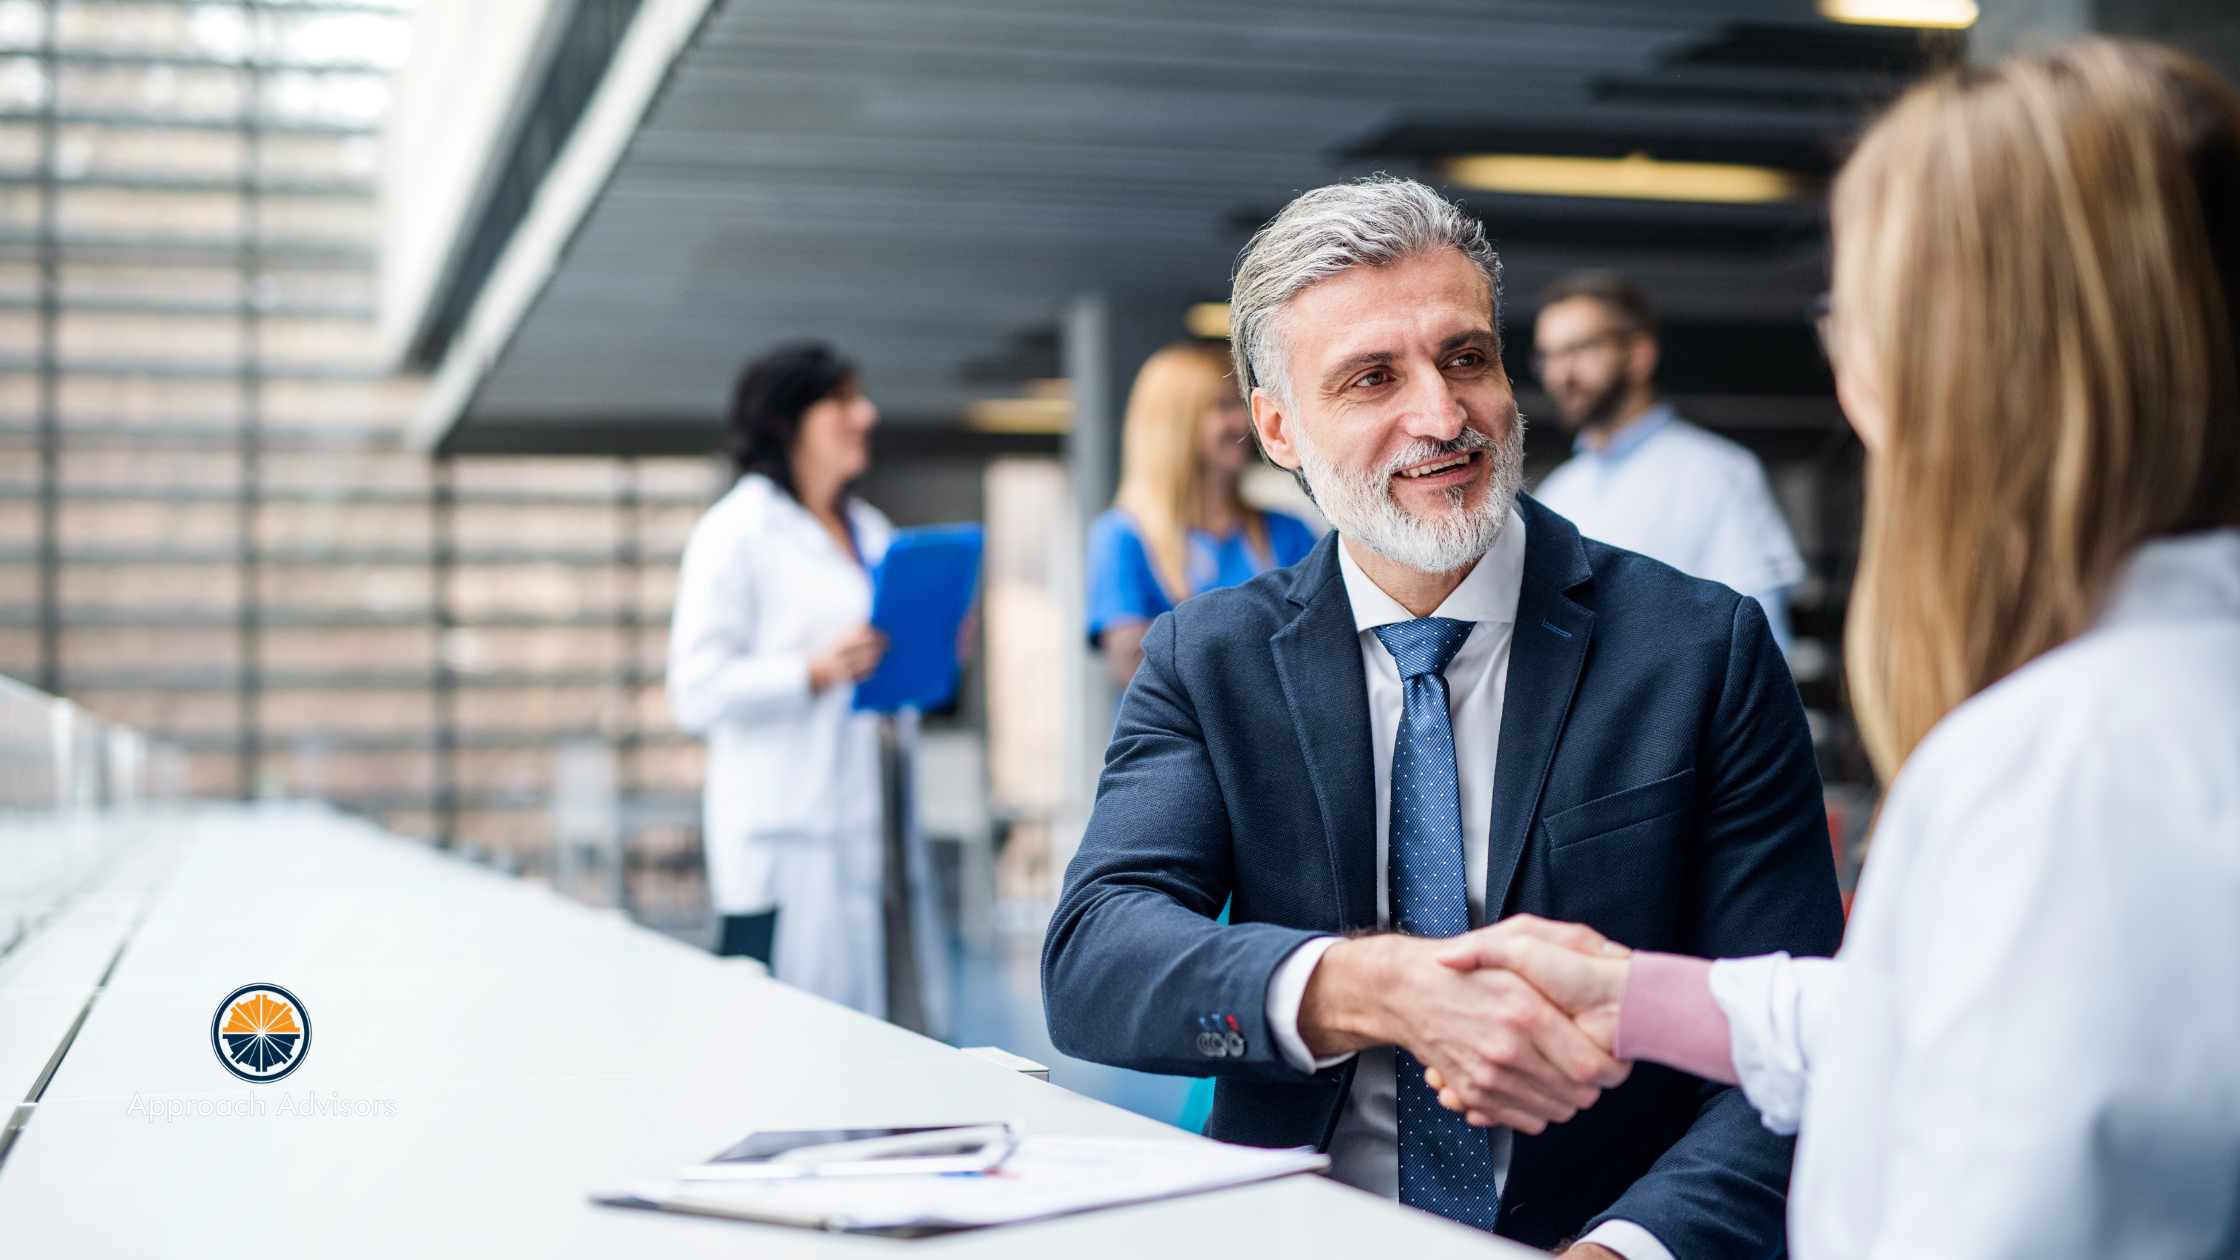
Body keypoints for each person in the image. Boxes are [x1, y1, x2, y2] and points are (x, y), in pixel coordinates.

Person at [1437, 41, 2240, 1260]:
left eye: (1852, 314)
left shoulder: (2055, 768)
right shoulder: (2149, 707)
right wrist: (1645, 998)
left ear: (1962, 364)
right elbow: (1969, 1032)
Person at [1041, 176, 1843, 1259]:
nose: (1442, 416)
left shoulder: (1699, 650)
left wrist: (1627, 1251)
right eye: (1371, 378)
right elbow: (1096, 959)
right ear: (1277, 427)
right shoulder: (1209, 658)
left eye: (1465, 358)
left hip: (1592, 1232)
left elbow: (1785, 1045)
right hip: (1297, 1229)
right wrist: (1364, 987)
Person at [667, 341, 944, 1026]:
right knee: (793, 1041)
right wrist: (810, 672)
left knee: (896, 1033)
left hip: (876, 830)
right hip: (791, 840)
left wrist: (933, 644)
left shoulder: (871, 530)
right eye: (843, 400)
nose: (866, 415)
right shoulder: (736, 532)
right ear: (786, 421)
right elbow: (695, 690)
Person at [1529, 272, 1807, 656]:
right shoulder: (1557, 493)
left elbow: (1762, 646)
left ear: (1640, 354)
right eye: (1549, 356)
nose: (1562, 374)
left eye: (1581, 348)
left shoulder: (1719, 474)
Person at [1088, 341, 1319, 688]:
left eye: (1241, 403)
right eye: (1223, 405)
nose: (1244, 421)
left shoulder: (1288, 532)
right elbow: (1137, 669)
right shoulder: (1122, 537)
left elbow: (1324, 644)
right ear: (1176, 424)